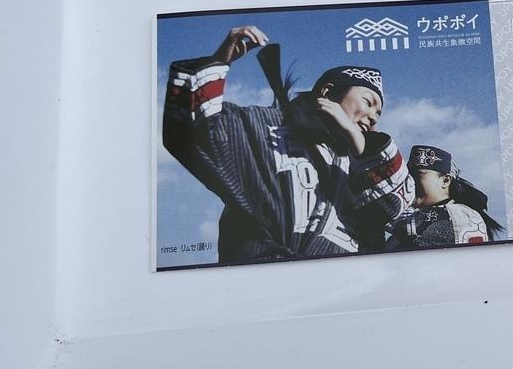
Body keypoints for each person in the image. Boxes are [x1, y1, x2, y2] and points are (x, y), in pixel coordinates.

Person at [163, 25, 413, 263]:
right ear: (327, 92)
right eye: (368, 102)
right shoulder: (263, 126)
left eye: (378, 113)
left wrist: (353, 136)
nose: (373, 117)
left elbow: (393, 208)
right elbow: (194, 132)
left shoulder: (365, 166)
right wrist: (219, 60)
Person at [385, 144, 505, 249]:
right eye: (409, 177)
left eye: (418, 175)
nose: (411, 182)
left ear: (445, 180)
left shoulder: (462, 214)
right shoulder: (407, 224)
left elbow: (407, 226)